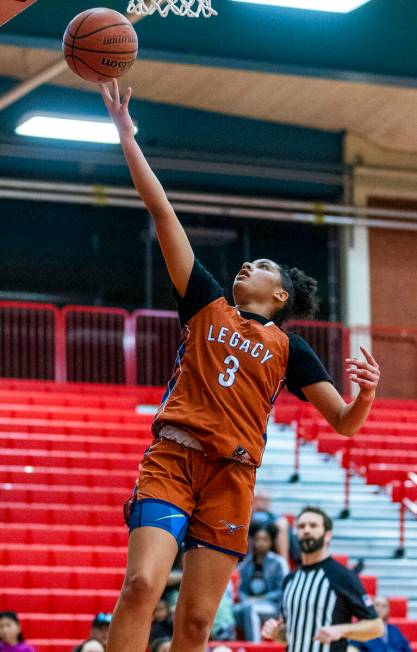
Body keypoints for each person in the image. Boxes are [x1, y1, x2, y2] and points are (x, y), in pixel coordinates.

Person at [99, 78, 381, 652]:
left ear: (280, 296)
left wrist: (368, 394)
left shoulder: (291, 349)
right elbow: (161, 209)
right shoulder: (205, 300)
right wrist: (127, 136)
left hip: (233, 476)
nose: (247, 264)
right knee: (140, 584)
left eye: (261, 264)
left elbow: (346, 425)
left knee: (198, 623)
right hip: (175, 456)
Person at [261, 507, 384, 651]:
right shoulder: (290, 580)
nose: (306, 530)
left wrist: (341, 630)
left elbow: (376, 627)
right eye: (301, 526)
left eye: (313, 526)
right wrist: (277, 633)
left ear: (328, 535)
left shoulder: (342, 576)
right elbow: (293, 634)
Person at [234, 526, 288, 641]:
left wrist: (259, 599)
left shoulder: (278, 562)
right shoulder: (246, 564)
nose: (260, 543)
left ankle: (255, 647)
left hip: (273, 606)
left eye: (265, 539)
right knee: (235, 610)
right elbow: (241, 590)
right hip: (249, 603)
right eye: (258, 539)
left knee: (251, 609)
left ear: (271, 542)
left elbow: (283, 591)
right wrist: (246, 600)